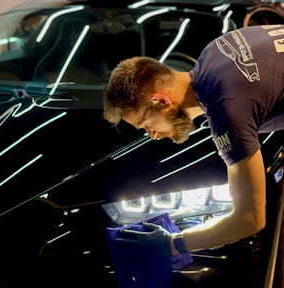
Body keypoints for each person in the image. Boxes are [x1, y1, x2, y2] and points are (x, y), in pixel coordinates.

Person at [103, 24, 284, 256]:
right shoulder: (214, 52)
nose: (153, 135)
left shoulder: (227, 108)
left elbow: (250, 219)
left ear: (160, 101)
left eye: (146, 124)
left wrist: (174, 243)